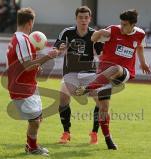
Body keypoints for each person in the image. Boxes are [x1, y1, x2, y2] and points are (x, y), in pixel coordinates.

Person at [75, 9, 151, 150]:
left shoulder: (140, 34)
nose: (121, 27)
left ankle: (87, 88)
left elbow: (139, 47)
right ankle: (108, 139)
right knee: (103, 108)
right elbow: (93, 38)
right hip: (104, 75)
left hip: (124, 72)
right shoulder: (112, 31)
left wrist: (143, 63)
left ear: (133, 25)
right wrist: (99, 33)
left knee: (116, 68)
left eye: (125, 25)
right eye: (121, 24)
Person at [6, 7, 64, 156]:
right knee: (35, 120)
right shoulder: (22, 39)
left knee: (38, 118)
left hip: (28, 84)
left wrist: (36, 67)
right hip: (22, 87)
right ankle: (32, 148)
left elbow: (23, 63)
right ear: (30, 22)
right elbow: (26, 65)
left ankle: (30, 145)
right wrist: (48, 56)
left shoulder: (17, 38)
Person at [54, 6, 104, 145]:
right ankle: (66, 132)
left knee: (101, 100)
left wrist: (100, 43)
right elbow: (56, 47)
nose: (83, 20)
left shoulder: (95, 34)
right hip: (71, 72)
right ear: (76, 18)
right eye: (80, 17)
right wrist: (60, 49)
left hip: (89, 73)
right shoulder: (67, 32)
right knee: (63, 96)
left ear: (90, 19)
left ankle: (94, 132)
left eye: (86, 18)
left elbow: (101, 53)